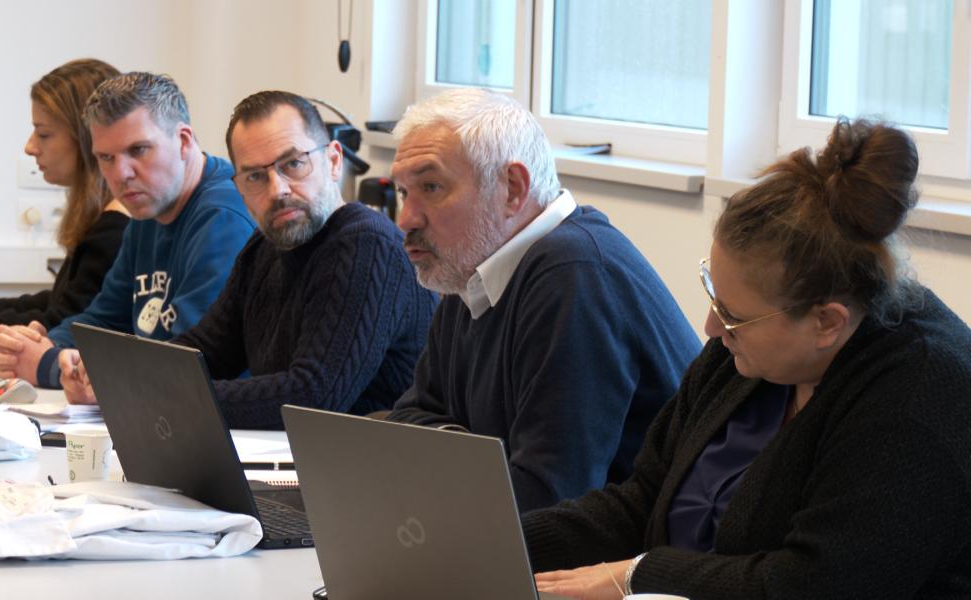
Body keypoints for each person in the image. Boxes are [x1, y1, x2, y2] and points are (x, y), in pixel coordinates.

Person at [525, 118, 971, 599]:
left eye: (733, 316)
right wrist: (505, 540)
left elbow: (813, 585)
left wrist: (638, 575)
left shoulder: (917, 401)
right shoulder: (747, 356)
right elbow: (644, 499)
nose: (712, 329)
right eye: (714, 296)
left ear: (827, 322)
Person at [386, 88, 700, 512]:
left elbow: (548, 497)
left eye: (431, 186)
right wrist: (479, 458)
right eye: (404, 193)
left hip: (620, 563)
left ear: (513, 188)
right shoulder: (470, 269)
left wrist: (450, 460)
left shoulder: (575, 273)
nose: (405, 218)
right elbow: (406, 425)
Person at [60, 91, 437, 428]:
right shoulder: (264, 248)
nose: (278, 190)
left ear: (334, 161)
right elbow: (204, 351)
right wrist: (113, 377)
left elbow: (311, 396)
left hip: (366, 486)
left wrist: (147, 392)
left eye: (293, 164)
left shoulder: (365, 245)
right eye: (255, 177)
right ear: (238, 187)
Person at [0, 72, 256, 388]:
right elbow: (101, 321)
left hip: (230, 428)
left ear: (183, 141)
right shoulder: (146, 208)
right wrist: (38, 344)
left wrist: (48, 365)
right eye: (106, 158)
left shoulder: (223, 217)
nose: (121, 173)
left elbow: (186, 361)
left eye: (138, 150)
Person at [0, 59, 129, 358]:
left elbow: (60, 324)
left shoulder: (117, 229)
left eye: (43, 134)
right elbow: (54, 303)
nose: (30, 147)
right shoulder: (102, 221)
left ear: (86, 138)